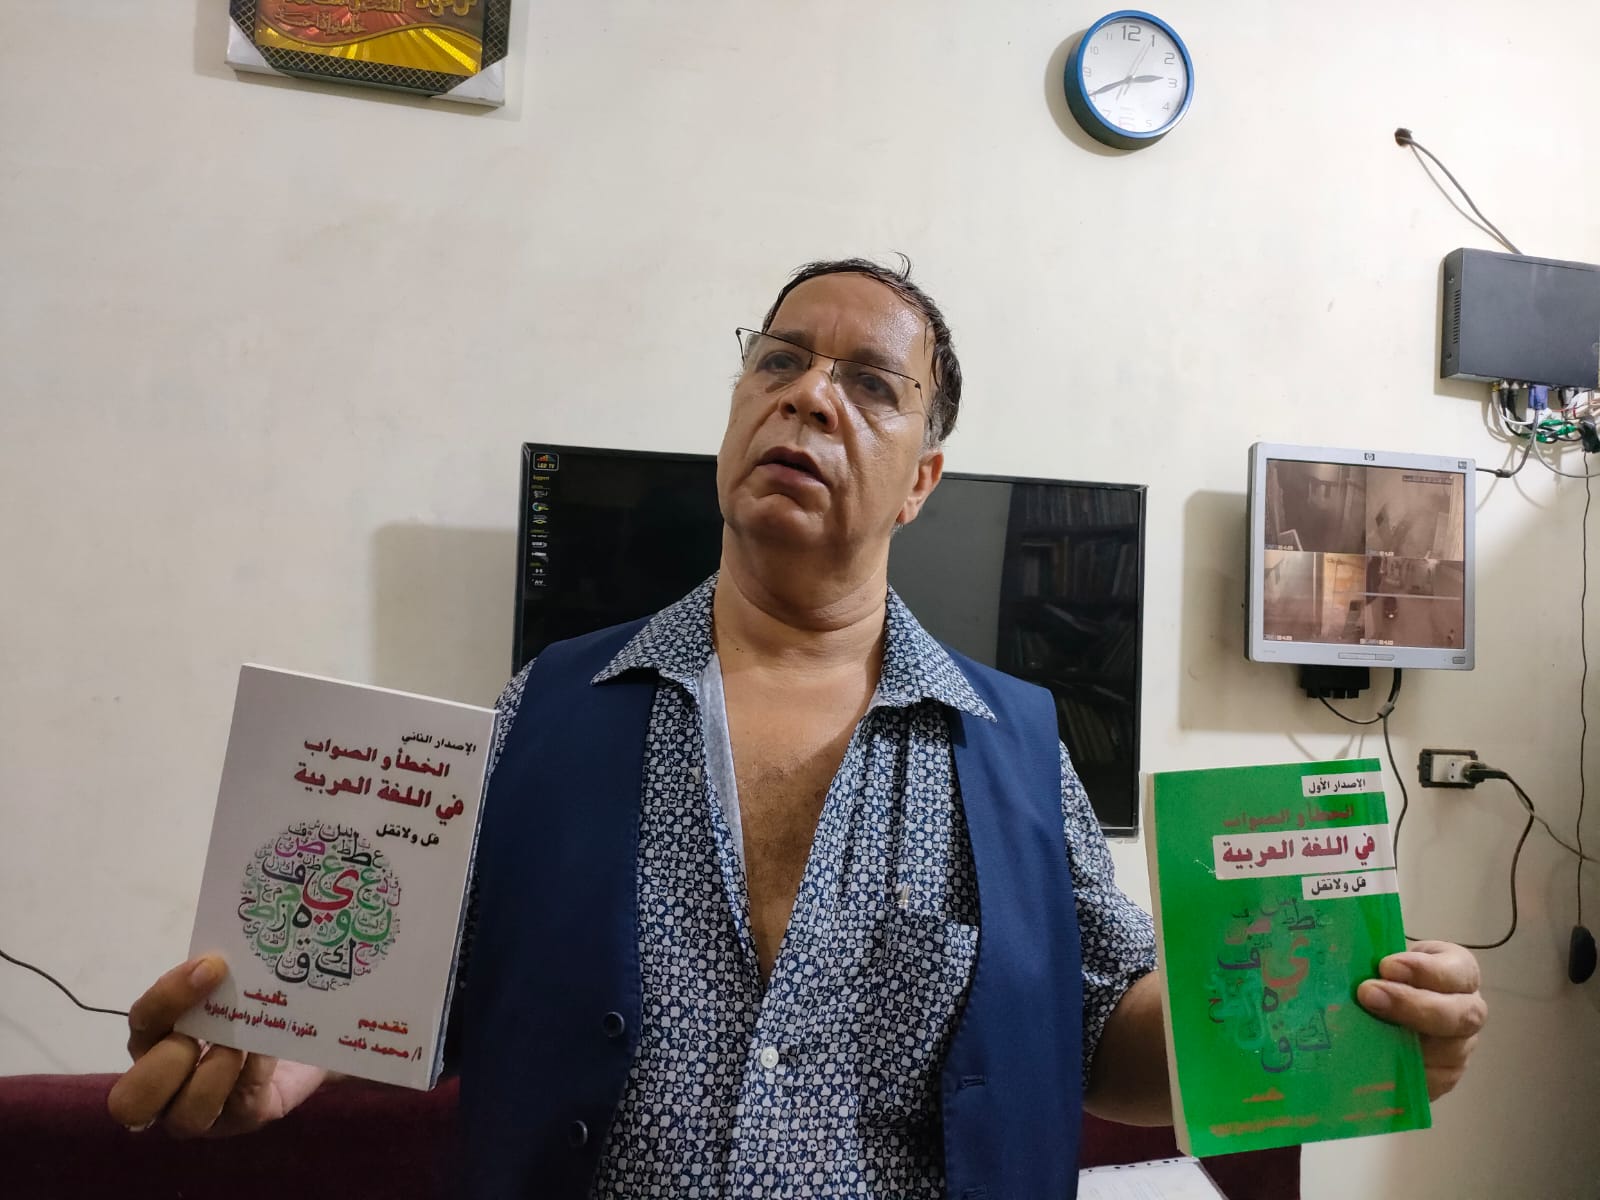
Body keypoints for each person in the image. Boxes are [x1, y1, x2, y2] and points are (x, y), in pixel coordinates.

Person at [109, 258, 1487, 1196]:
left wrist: (1336, 1022)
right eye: (780, 359)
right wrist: (285, 1045)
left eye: (871, 383)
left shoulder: (1014, 747)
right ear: (733, 413)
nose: (809, 394)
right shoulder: (549, 708)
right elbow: (431, 983)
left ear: (922, 481)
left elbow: (1100, 1040)